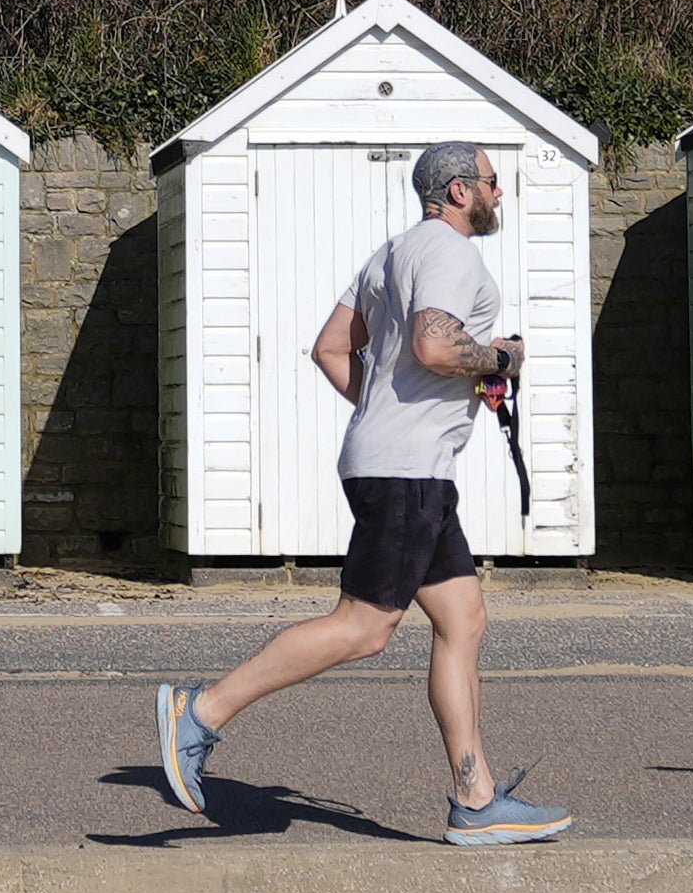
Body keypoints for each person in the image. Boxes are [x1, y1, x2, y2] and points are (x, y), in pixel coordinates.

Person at [148, 141, 573, 847]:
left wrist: (386, 411)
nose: (501, 194)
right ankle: (201, 711)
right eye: (494, 183)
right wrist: (503, 356)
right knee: (365, 627)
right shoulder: (448, 252)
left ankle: (476, 797)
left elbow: (330, 349)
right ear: (461, 191)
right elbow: (436, 349)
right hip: (405, 471)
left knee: (462, 619)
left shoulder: (389, 253)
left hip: (406, 466)